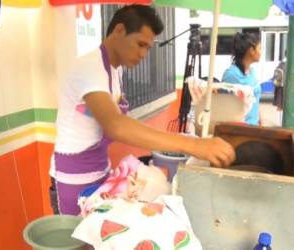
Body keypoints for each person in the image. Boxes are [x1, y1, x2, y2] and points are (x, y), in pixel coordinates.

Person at [49, 4, 235, 215]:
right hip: (72, 181)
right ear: (119, 30)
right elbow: (116, 125)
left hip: (99, 172)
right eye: (140, 44)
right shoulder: (90, 68)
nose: (144, 54)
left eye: (148, 48)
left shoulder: (114, 71)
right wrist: (193, 144)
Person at [222, 32, 262, 125]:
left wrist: (260, 120)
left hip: (254, 126)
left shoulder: (252, 72)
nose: (261, 52)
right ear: (251, 50)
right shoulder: (231, 75)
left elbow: (255, 100)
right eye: (260, 48)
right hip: (240, 129)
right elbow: (224, 105)